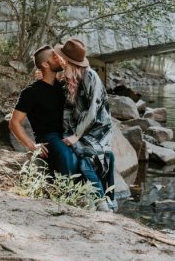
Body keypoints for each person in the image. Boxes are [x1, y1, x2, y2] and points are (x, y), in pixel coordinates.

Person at [54, 38, 116, 211]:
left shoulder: (91, 77)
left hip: (98, 130)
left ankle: (102, 202)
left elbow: (92, 112)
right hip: (78, 128)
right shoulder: (71, 76)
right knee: (98, 157)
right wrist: (67, 132)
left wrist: (76, 137)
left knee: (85, 162)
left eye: (62, 59)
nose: (60, 61)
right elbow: (67, 107)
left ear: (69, 61)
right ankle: (108, 199)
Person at [9, 45, 79, 176]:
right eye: (54, 56)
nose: (58, 58)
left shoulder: (63, 86)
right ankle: (69, 194)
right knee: (66, 155)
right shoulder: (30, 92)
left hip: (68, 133)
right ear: (45, 64)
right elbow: (14, 123)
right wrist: (32, 146)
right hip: (49, 137)